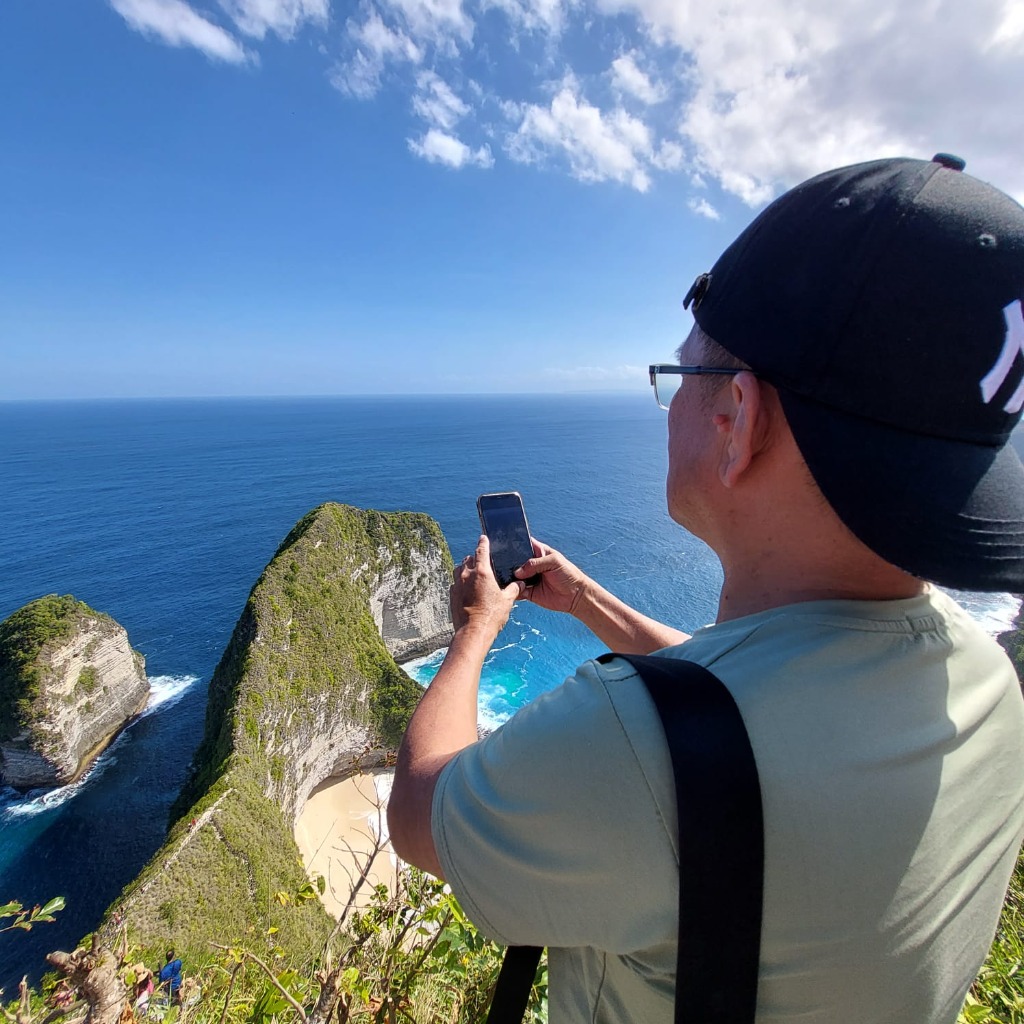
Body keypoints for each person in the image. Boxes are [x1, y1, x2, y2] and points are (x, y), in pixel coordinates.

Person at [387, 155, 1024, 1023]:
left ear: (736, 419)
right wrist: (584, 601)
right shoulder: (985, 679)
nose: (672, 401)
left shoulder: (622, 749)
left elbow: (421, 812)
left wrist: (470, 634)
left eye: (677, 376)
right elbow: (755, 707)